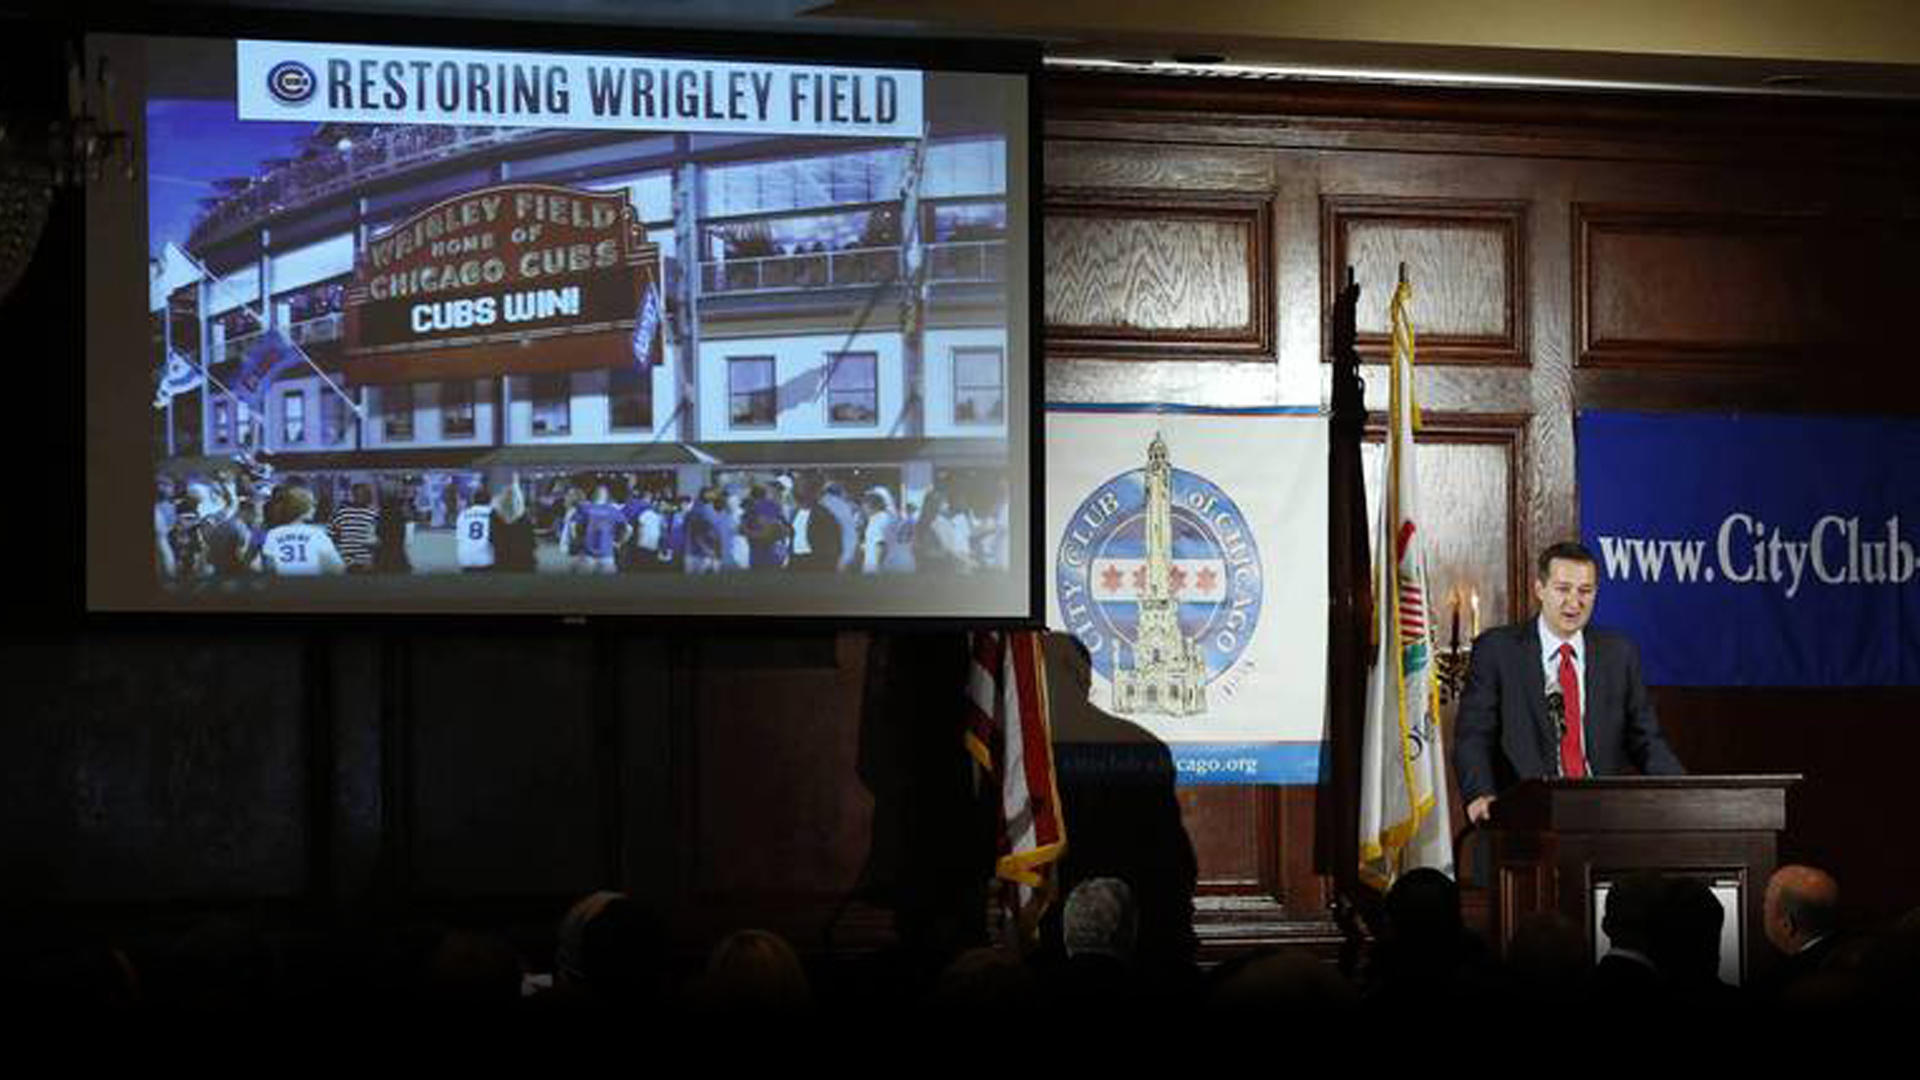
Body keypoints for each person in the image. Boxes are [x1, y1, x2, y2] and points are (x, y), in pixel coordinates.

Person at [1454, 540, 1685, 824]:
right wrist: (1480, 795)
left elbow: (1646, 740)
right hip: (1524, 815)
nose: (1574, 602)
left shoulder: (1619, 652)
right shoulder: (1498, 650)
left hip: (1603, 818)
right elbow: (1474, 736)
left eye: (1585, 591)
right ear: (1540, 589)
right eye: (1563, 589)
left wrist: (1682, 793)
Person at [260, 485, 345, 576]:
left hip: (281, 585)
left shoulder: (270, 533)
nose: (314, 508)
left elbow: (265, 565)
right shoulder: (317, 533)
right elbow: (338, 568)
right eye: (312, 504)